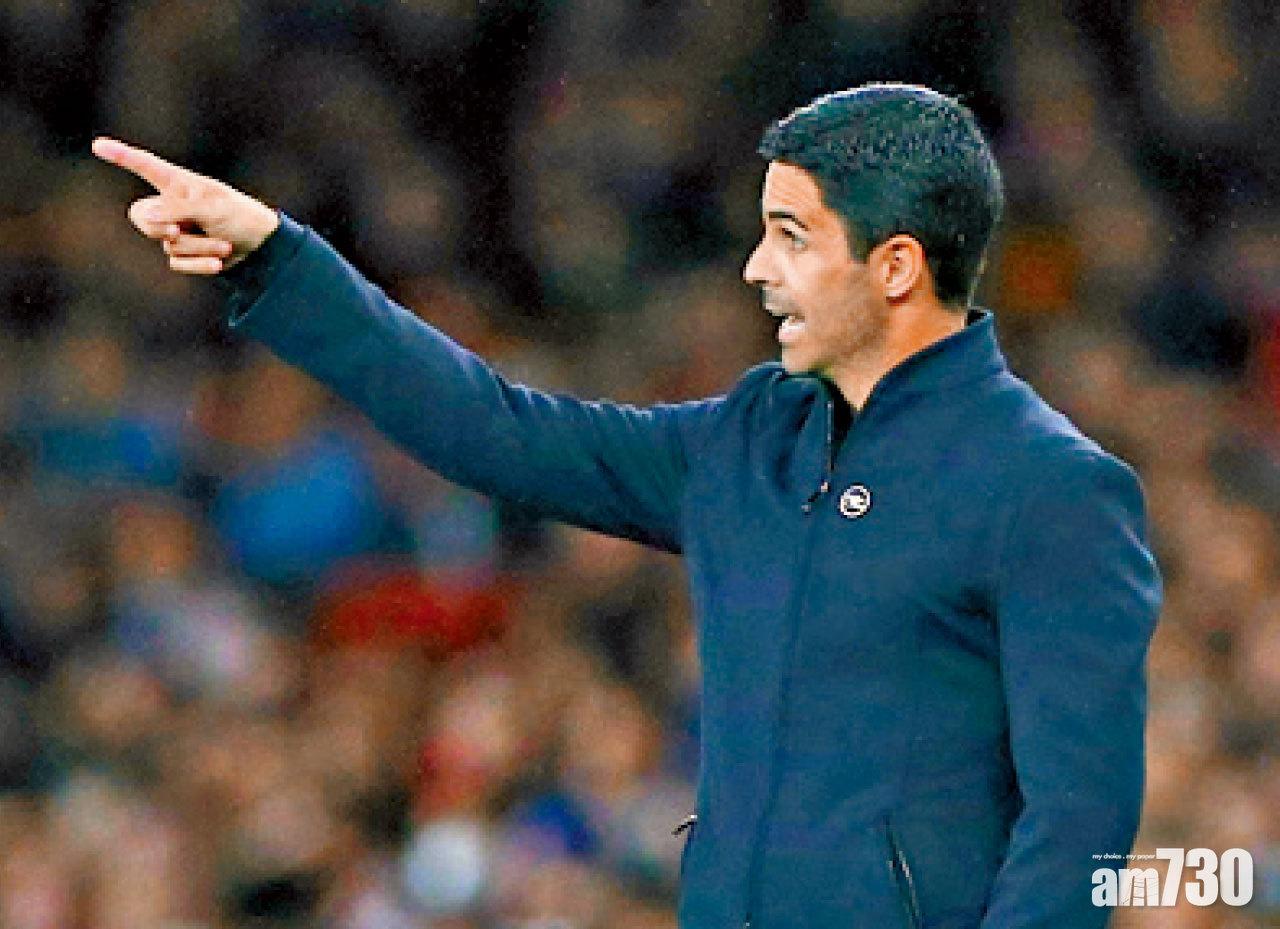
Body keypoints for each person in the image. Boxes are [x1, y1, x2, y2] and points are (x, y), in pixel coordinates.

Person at [94, 83, 1162, 929]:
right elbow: (496, 429)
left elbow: (1082, 828)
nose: (755, 268)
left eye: (791, 236)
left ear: (894, 267)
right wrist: (279, 257)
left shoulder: (1051, 489)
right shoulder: (747, 441)